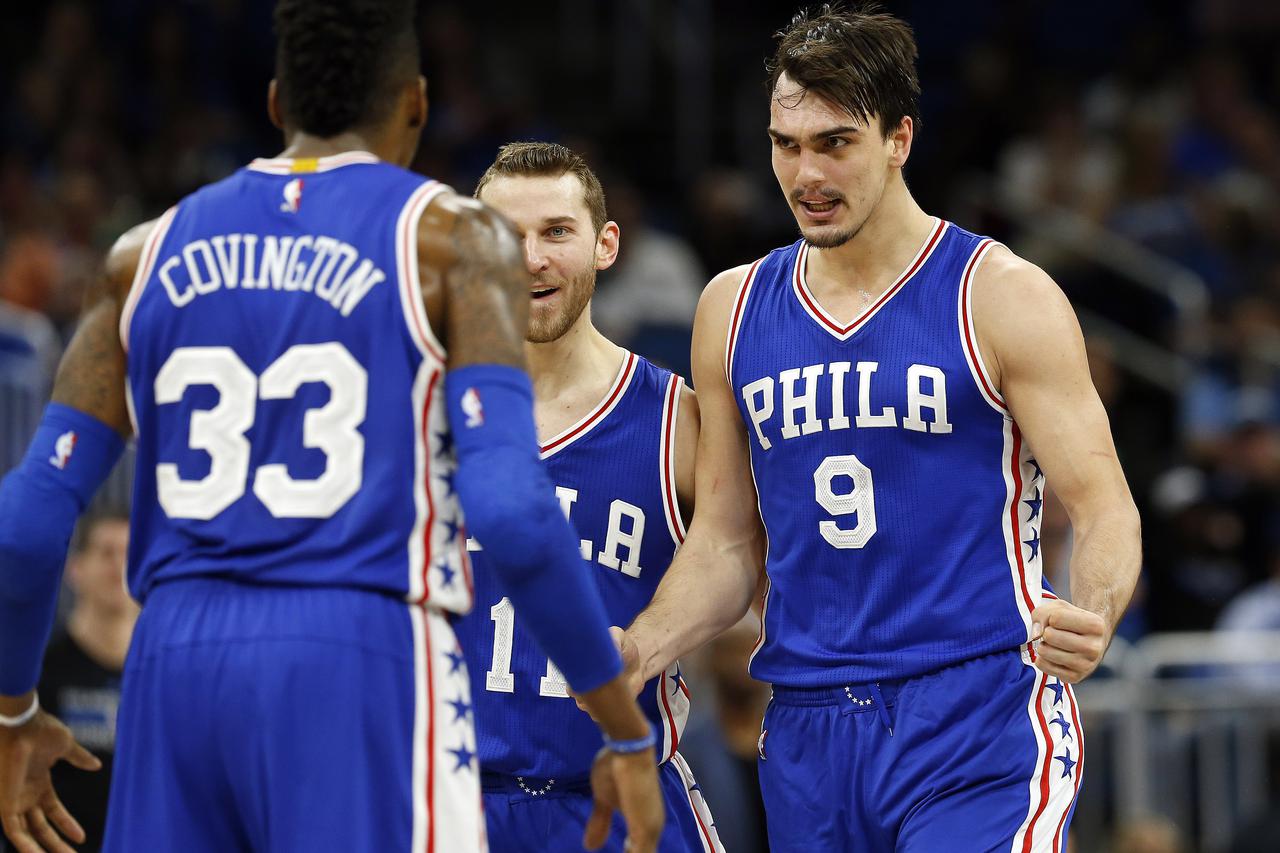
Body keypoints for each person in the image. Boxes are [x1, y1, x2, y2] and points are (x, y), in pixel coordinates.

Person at [0, 2, 663, 852]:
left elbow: (26, 520)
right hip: (355, 649)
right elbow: (515, 513)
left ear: (277, 104)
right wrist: (622, 726)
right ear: (417, 106)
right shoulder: (449, 242)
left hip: (173, 659)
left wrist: (14, 709)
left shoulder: (142, 254)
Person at [610, 5, 1142, 851]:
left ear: (899, 138)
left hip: (976, 714)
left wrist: (1096, 609)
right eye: (787, 144)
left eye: (835, 143)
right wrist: (636, 649)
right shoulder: (732, 308)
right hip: (810, 730)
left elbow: (1106, 506)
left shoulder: (1000, 293)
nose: (805, 173)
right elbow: (723, 544)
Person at [459, 142, 720, 852]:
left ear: (605, 245)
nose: (530, 258)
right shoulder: (421, 413)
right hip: (452, 806)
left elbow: (742, 564)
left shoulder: (678, 421)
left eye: (555, 232)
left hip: (619, 800)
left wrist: (647, 643)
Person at [38, 511, 136, 853]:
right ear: (75, 567)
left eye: (129, 553)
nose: (117, 565)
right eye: (106, 552)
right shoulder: (38, 674)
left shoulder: (169, 680)